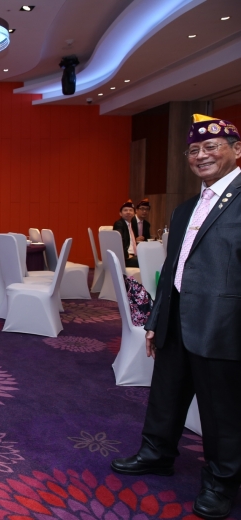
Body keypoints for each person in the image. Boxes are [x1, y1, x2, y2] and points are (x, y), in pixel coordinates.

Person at [111, 114, 241, 520]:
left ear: (237, 150)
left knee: (221, 410)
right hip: (176, 318)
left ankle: (221, 482)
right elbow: (173, 269)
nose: (200, 155)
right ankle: (157, 453)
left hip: (223, 323)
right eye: (193, 150)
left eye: (211, 147)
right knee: (166, 393)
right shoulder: (185, 209)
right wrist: (155, 320)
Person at [113, 199, 139, 267]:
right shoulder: (119, 224)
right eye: (125, 210)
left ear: (134, 213)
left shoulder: (132, 224)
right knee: (143, 261)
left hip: (133, 254)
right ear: (120, 213)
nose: (128, 212)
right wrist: (127, 255)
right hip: (124, 257)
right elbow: (118, 242)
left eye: (130, 210)